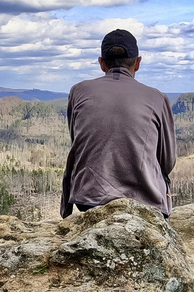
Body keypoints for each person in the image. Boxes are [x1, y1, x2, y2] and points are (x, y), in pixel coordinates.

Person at [60, 29, 177, 218]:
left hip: (88, 200)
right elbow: (168, 161)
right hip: (145, 202)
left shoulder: (78, 91)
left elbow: (78, 141)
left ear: (101, 63)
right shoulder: (157, 98)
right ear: (138, 62)